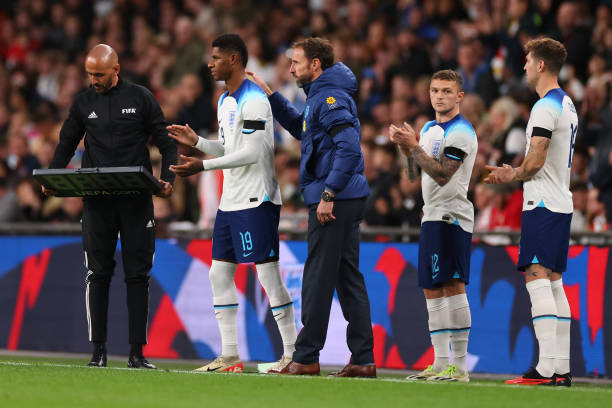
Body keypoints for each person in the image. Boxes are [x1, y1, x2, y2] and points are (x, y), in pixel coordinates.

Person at [167, 34, 296, 373]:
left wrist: (202, 166)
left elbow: (253, 153)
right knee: (218, 274)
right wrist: (198, 143)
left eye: (216, 58)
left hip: (257, 199)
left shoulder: (254, 99)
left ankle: (292, 355)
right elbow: (230, 149)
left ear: (235, 59)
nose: (210, 63)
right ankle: (230, 357)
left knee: (268, 277)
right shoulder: (225, 100)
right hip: (231, 202)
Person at [248, 37, 375, 377]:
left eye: (297, 62)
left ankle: (305, 357)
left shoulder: (330, 97)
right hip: (345, 196)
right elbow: (305, 131)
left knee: (319, 277)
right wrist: (272, 96)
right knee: (347, 278)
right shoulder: (322, 95)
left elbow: (349, 149)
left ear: (316, 65)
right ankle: (363, 359)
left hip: (335, 199)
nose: (291, 68)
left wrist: (329, 193)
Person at [45, 44, 176, 369]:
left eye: (99, 74)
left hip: (136, 201)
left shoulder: (141, 98)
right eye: (90, 74)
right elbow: (66, 143)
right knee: (97, 274)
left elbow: (166, 143)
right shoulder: (83, 102)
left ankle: (136, 353)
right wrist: (52, 176)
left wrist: (167, 178)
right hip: (97, 200)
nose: (93, 80)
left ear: (116, 69)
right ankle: (98, 352)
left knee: (138, 276)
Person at [485, 38, 576, 387]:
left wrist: (513, 174)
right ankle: (561, 368)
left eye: (527, 61)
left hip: (542, 203)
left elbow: (536, 158)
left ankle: (545, 370)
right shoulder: (566, 103)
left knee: (537, 277)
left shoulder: (543, 108)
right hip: (560, 201)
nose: (523, 66)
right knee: (553, 282)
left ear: (541, 66)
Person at [389, 70, 477, 383]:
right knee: (431, 289)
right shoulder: (427, 128)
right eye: (435, 90)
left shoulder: (462, 132)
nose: (439, 96)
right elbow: (413, 177)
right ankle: (440, 364)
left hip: (452, 216)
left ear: (459, 97)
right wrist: (405, 148)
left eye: (446, 91)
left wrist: (414, 147)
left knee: (452, 285)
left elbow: (442, 174)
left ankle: (461, 367)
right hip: (431, 215)